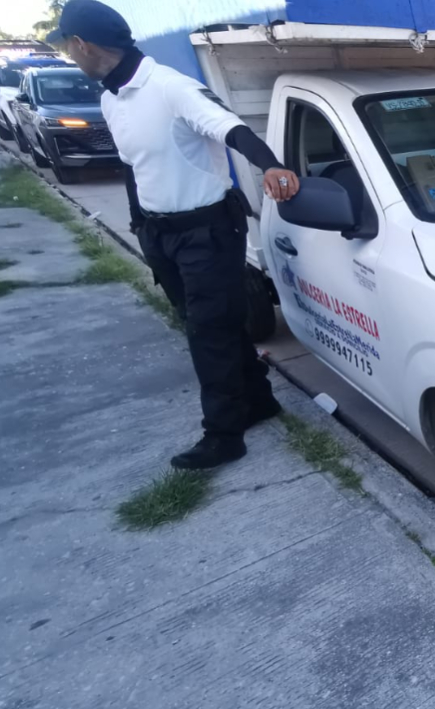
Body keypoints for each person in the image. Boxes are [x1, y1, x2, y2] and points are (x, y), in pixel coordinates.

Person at [48, 0, 301, 470]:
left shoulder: (170, 87)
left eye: (67, 45)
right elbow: (133, 166)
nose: (69, 54)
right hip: (159, 232)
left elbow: (232, 129)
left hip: (208, 230)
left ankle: (224, 435)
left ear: (82, 44)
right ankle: (259, 400)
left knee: (208, 331)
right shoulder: (111, 97)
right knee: (209, 325)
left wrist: (271, 166)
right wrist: (139, 222)